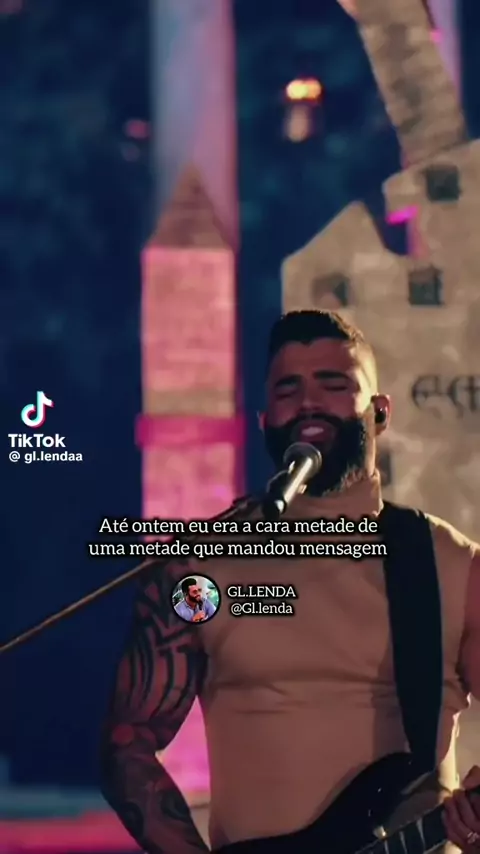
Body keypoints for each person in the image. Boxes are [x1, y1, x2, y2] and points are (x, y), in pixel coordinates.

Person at [100, 310, 480, 853]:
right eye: (288, 388)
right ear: (263, 420)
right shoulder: (200, 568)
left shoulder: (453, 565)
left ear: (379, 412)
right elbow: (128, 743)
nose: (308, 402)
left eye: (333, 384)